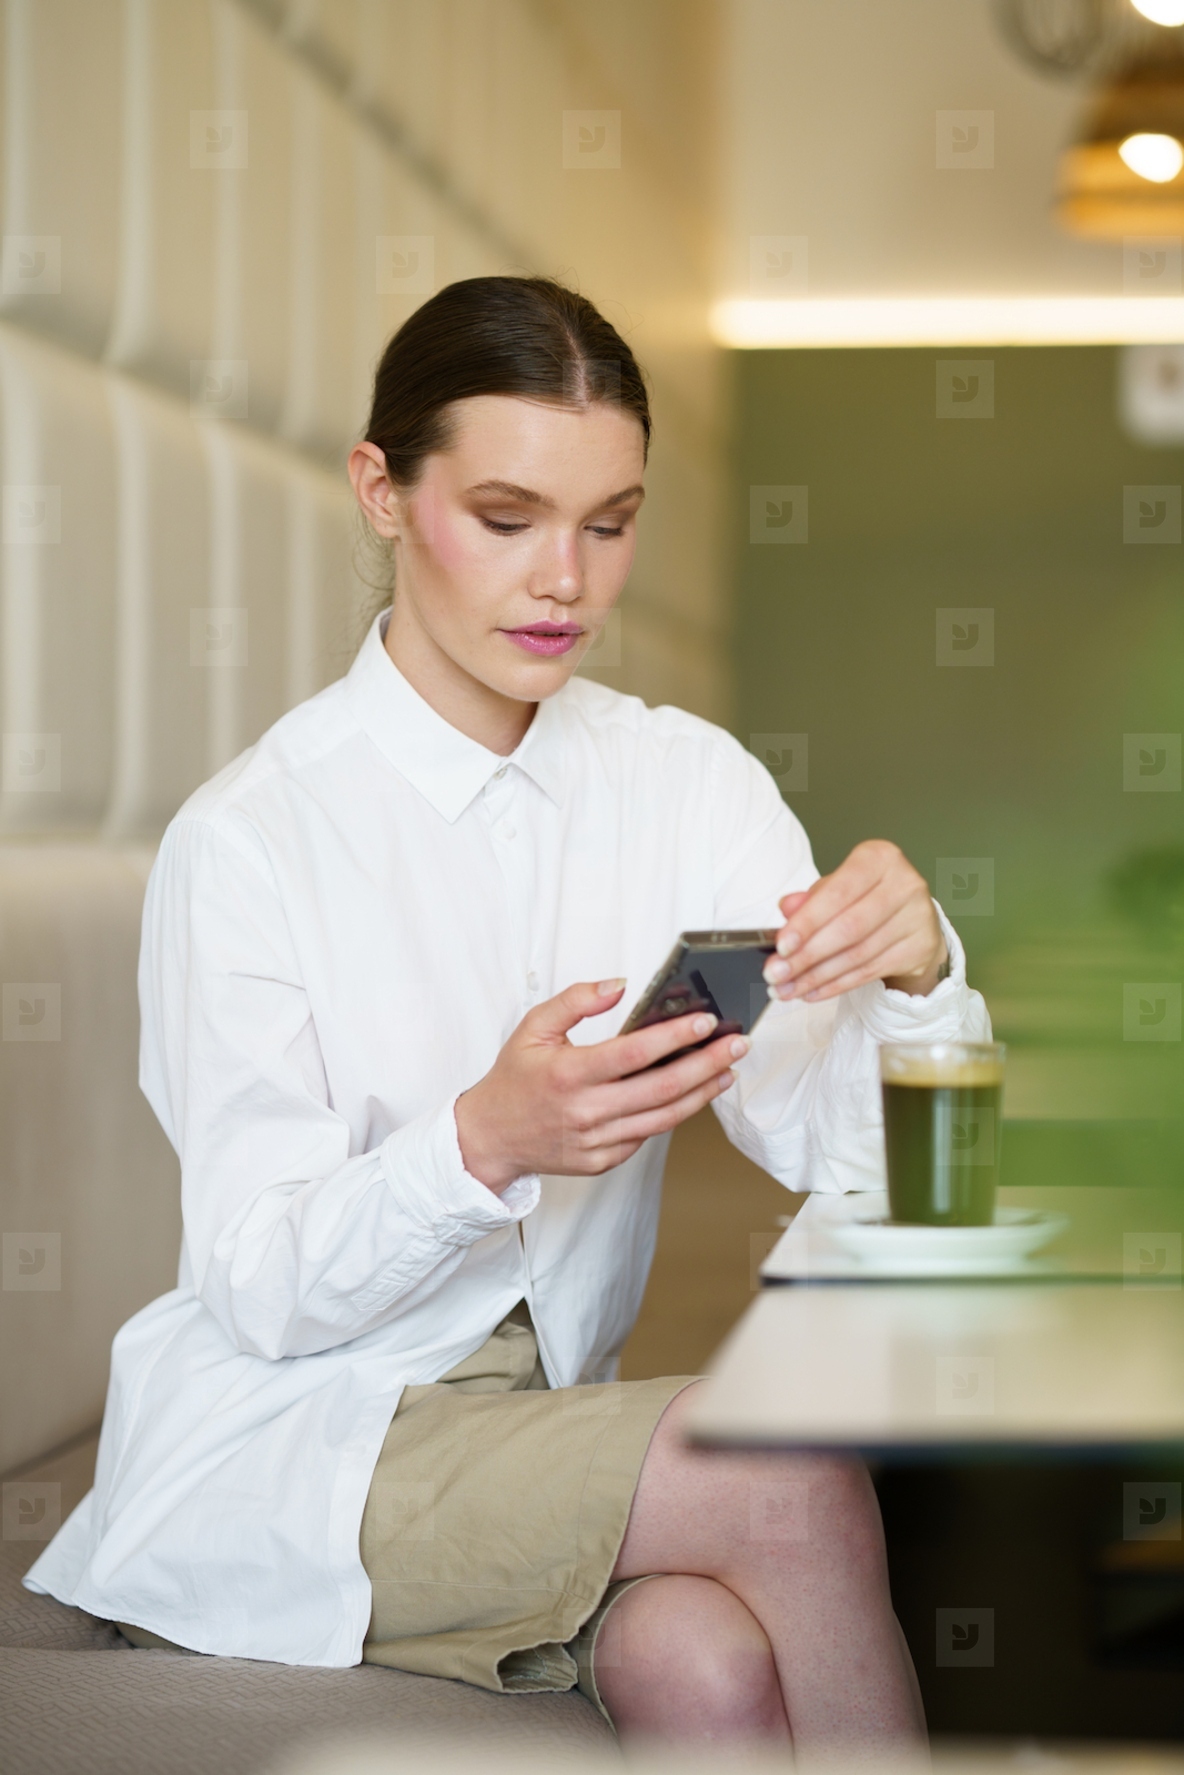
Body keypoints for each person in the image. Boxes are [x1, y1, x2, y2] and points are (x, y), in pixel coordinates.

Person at [26, 275, 990, 1751]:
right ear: (382, 490)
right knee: (791, 1480)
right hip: (298, 1436)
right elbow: (260, 1287)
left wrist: (922, 982)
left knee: (704, 1661)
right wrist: (479, 1143)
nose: (567, 582)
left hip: (546, 1428)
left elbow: (908, 1188)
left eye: (610, 524)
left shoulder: (687, 787)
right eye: (507, 516)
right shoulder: (250, 843)